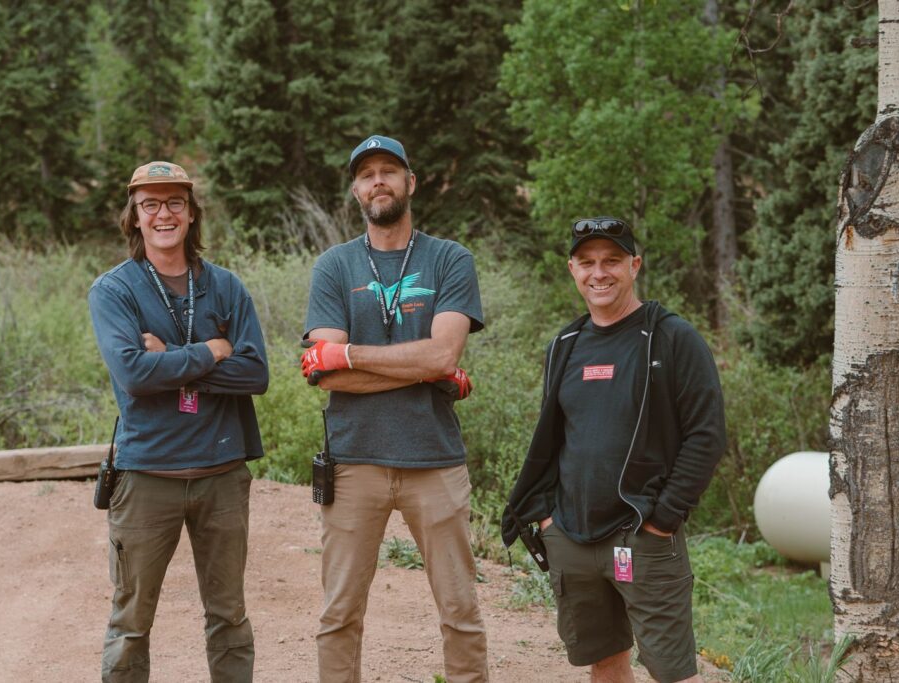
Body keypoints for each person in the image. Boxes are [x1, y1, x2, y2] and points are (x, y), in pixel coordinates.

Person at [501, 217, 726, 683]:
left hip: (643, 535)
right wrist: (546, 520)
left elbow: (706, 435)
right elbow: (552, 439)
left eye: (611, 261)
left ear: (634, 265)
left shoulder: (672, 338)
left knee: (674, 673)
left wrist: (663, 520)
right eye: (587, 262)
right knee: (604, 663)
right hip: (570, 536)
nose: (598, 273)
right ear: (572, 269)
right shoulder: (564, 345)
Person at [301, 135, 488, 683]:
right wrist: (424, 369)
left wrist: (350, 354)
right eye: (367, 174)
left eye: (389, 170)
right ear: (355, 190)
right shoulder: (334, 266)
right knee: (339, 613)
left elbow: (444, 353)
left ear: (411, 181)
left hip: (434, 459)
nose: (378, 181)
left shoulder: (449, 259)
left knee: (460, 611)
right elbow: (326, 375)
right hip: (353, 461)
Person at [88, 161, 268, 682]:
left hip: (222, 473)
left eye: (174, 203)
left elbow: (255, 373)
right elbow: (134, 374)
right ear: (134, 216)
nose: (163, 214)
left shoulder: (226, 286)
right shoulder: (114, 290)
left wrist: (172, 358)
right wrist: (212, 350)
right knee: (131, 622)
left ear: (191, 214)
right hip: (147, 475)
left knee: (229, 616)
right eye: (150, 204)